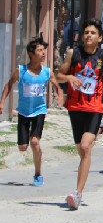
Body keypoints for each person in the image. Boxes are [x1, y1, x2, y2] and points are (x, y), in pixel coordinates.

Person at [57, 19, 103, 210]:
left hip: (95, 107)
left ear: (99, 37)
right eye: (86, 32)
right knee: (81, 151)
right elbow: (58, 76)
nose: (88, 35)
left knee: (85, 147)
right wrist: (69, 77)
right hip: (75, 107)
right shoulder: (74, 53)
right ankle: (100, 129)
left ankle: (78, 193)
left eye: (92, 33)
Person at [0, 36, 62, 186]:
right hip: (23, 112)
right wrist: (2, 102)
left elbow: (57, 87)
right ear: (31, 53)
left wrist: (60, 95)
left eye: (44, 50)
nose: (43, 53)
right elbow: (9, 85)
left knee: (35, 142)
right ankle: (28, 132)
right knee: (23, 147)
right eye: (39, 50)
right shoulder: (21, 71)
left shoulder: (47, 72)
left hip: (39, 111)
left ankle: (38, 174)